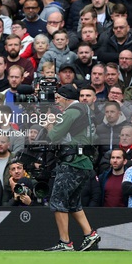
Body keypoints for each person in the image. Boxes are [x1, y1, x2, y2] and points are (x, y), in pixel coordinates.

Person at [44, 85, 101, 252]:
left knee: (58, 200)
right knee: (73, 202)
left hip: (72, 161)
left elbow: (54, 136)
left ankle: (65, 242)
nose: (57, 102)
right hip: (85, 162)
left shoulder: (71, 111)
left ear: (66, 97)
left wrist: (49, 125)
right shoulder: (88, 111)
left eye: (58, 98)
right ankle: (89, 234)